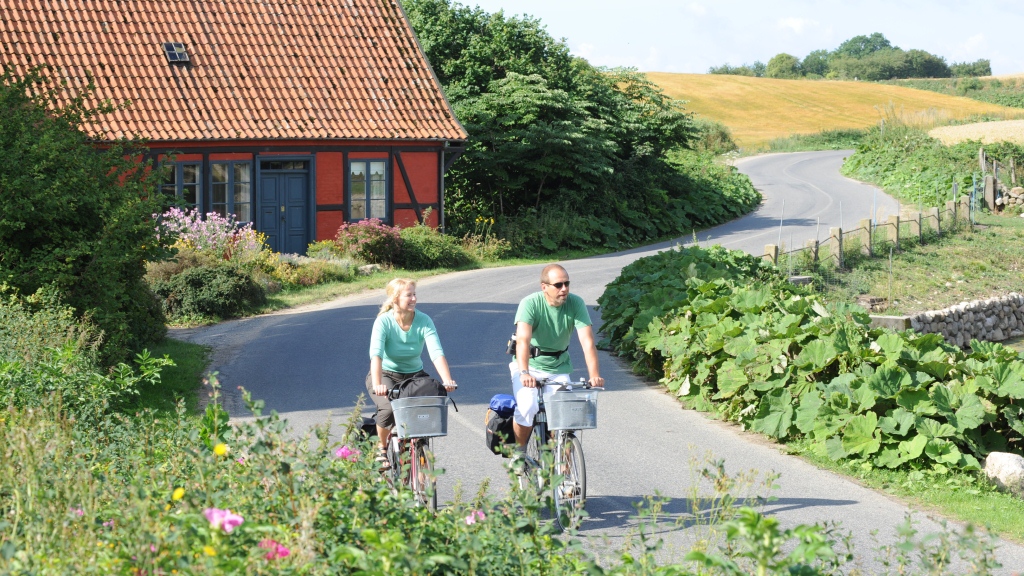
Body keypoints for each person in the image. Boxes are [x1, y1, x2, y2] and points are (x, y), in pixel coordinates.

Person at [510, 264, 604, 453]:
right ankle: (519, 454)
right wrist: (524, 372)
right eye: (558, 285)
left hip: (559, 367)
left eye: (567, 284)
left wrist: (594, 375)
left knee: (566, 420)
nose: (564, 289)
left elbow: (587, 342)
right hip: (529, 366)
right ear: (544, 287)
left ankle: (565, 476)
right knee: (528, 407)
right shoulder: (530, 303)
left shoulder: (576, 303)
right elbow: (523, 341)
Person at [367, 278, 456, 468]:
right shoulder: (384, 322)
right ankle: (381, 449)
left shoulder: (424, 320)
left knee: (428, 402)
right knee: (389, 408)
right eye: (409, 295)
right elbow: (376, 355)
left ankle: (415, 451)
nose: (414, 298)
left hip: (414, 375)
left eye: (415, 294)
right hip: (386, 375)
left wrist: (447, 379)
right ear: (395, 298)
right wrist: (377, 384)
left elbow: (436, 352)